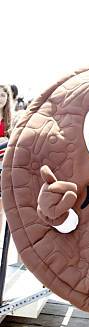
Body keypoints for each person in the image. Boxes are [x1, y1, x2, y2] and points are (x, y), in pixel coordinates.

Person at [0, 84, 13, 230]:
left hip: (3, 164)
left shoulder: (10, 119)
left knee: (1, 206)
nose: (0, 98)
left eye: (3, 95)